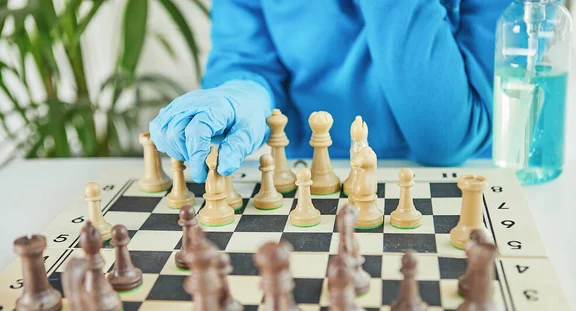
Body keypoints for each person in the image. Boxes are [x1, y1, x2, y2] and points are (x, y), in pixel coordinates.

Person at [150, 0, 510, 183]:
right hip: (315, 182)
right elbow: (247, 60)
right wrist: (243, 93)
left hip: (472, 184)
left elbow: (448, 137)